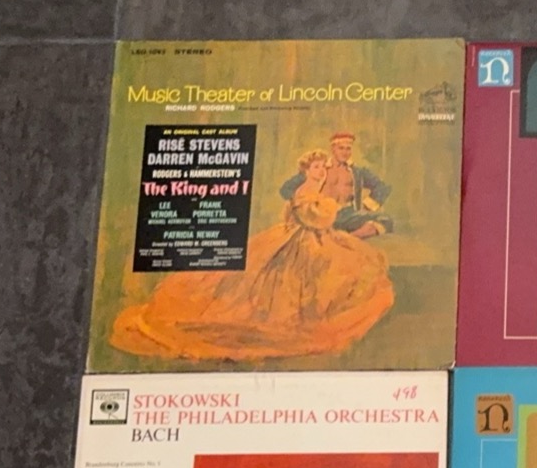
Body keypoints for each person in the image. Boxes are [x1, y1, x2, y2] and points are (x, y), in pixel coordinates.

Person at [112, 147, 393, 361]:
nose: (321, 171)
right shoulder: (304, 188)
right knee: (291, 279)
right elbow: (314, 218)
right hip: (301, 239)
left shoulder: (316, 186)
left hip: (313, 237)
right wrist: (329, 207)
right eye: (317, 167)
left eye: (323, 167)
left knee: (350, 263)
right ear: (307, 170)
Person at [281, 132, 392, 238]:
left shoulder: (357, 172)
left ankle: (349, 238)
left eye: (348, 149)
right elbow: (286, 189)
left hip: (348, 215)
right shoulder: (320, 168)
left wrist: (367, 206)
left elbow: (382, 188)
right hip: (323, 216)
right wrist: (304, 207)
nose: (345, 152)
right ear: (333, 149)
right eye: (341, 148)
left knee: (385, 219)